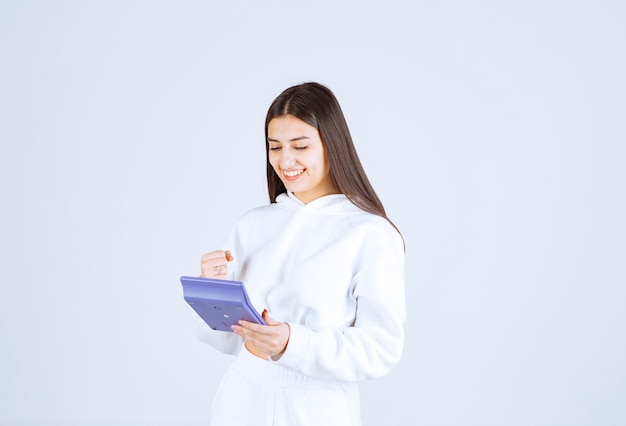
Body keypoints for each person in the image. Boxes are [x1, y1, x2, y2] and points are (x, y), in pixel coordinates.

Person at [193, 82, 405, 426]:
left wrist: (293, 343)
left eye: (300, 146)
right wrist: (210, 290)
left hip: (316, 406)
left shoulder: (370, 234)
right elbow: (223, 338)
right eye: (274, 147)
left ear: (331, 145)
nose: (285, 160)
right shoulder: (253, 226)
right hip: (242, 398)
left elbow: (380, 349)